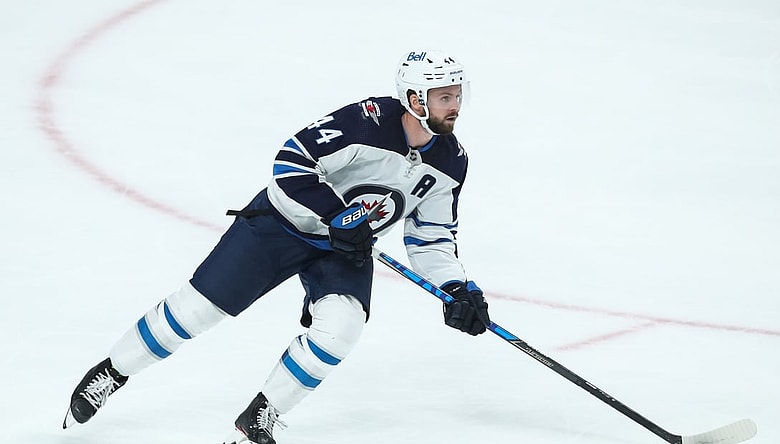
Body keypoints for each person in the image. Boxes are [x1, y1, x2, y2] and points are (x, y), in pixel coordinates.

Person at [62, 49, 491, 444]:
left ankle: (260, 416)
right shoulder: (366, 121)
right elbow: (291, 160)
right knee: (196, 311)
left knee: (342, 327)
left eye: (457, 95)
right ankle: (111, 371)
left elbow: (431, 237)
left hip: (345, 249)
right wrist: (335, 215)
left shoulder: (451, 162)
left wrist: (457, 289)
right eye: (444, 97)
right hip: (281, 224)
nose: (455, 106)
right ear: (415, 99)